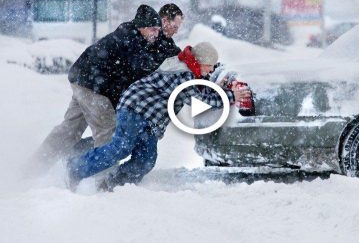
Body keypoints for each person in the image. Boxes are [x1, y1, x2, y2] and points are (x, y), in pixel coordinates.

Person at [67, 42, 251, 191]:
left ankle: (114, 185)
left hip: (150, 119)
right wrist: (232, 96)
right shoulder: (183, 74)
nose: (210, 71)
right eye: (209, 66)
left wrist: (225, 87)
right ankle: (75, 168)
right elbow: (200, 98)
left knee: (146, 159)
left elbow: (202, 86)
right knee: (120, 148)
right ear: (200, 62)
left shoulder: (189, 68)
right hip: (134, 108)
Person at [29, 5, 165, 174]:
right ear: (141, 26)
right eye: (153, 29)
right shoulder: (131, 42)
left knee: (69, 130)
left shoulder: (130, 36)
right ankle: (104, 181)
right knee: (108, 131)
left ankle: (33, 169)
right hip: (93, 87)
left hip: (82, 80)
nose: (156, 34)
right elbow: (132, 76)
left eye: (158, 30)